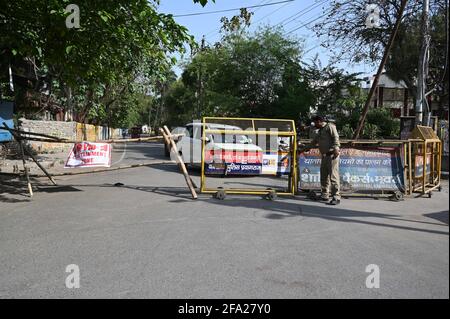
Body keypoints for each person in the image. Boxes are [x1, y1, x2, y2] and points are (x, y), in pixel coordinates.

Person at [300, 115, 341, 205]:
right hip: (325, 156)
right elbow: (314, 142)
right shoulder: (321, 130)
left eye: (315, 122)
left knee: (333, 177)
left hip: (332, 155)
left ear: (319, 121)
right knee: (324, 176)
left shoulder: (330, 126)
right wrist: (303, 149)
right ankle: (325, 195)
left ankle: (336, 197)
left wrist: (336, 148)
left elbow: (335, 137)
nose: (314, 124)